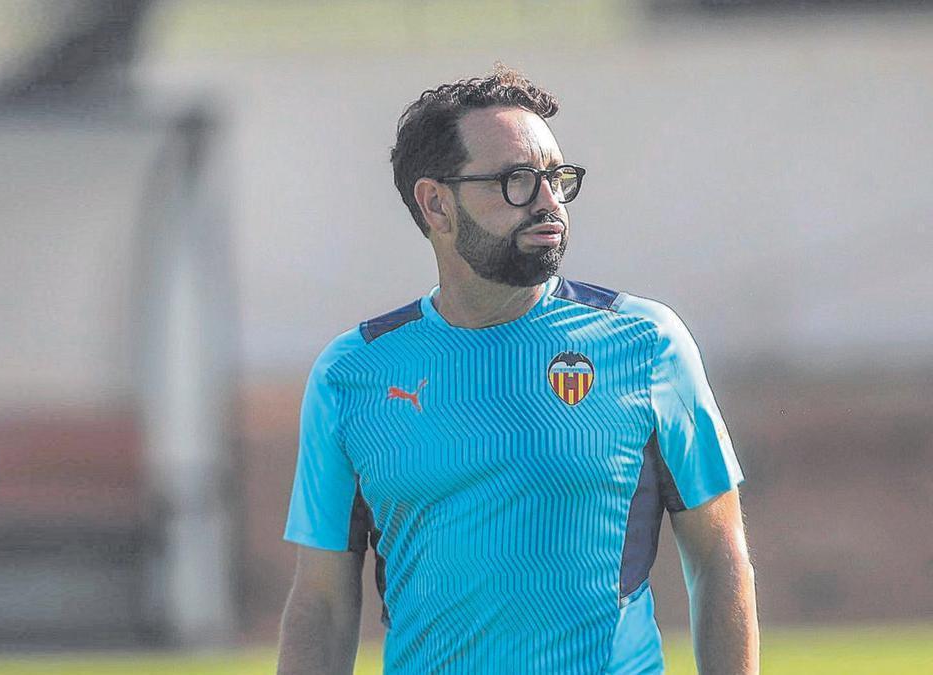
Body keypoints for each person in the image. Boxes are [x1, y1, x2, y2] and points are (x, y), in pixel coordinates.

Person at [276, 65, 759, 675]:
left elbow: (720, 557)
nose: (549, 203)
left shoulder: (647, 343)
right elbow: (321, 605)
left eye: (556, 178)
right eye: (517, 181)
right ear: (436, 205)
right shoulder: (351, 375)